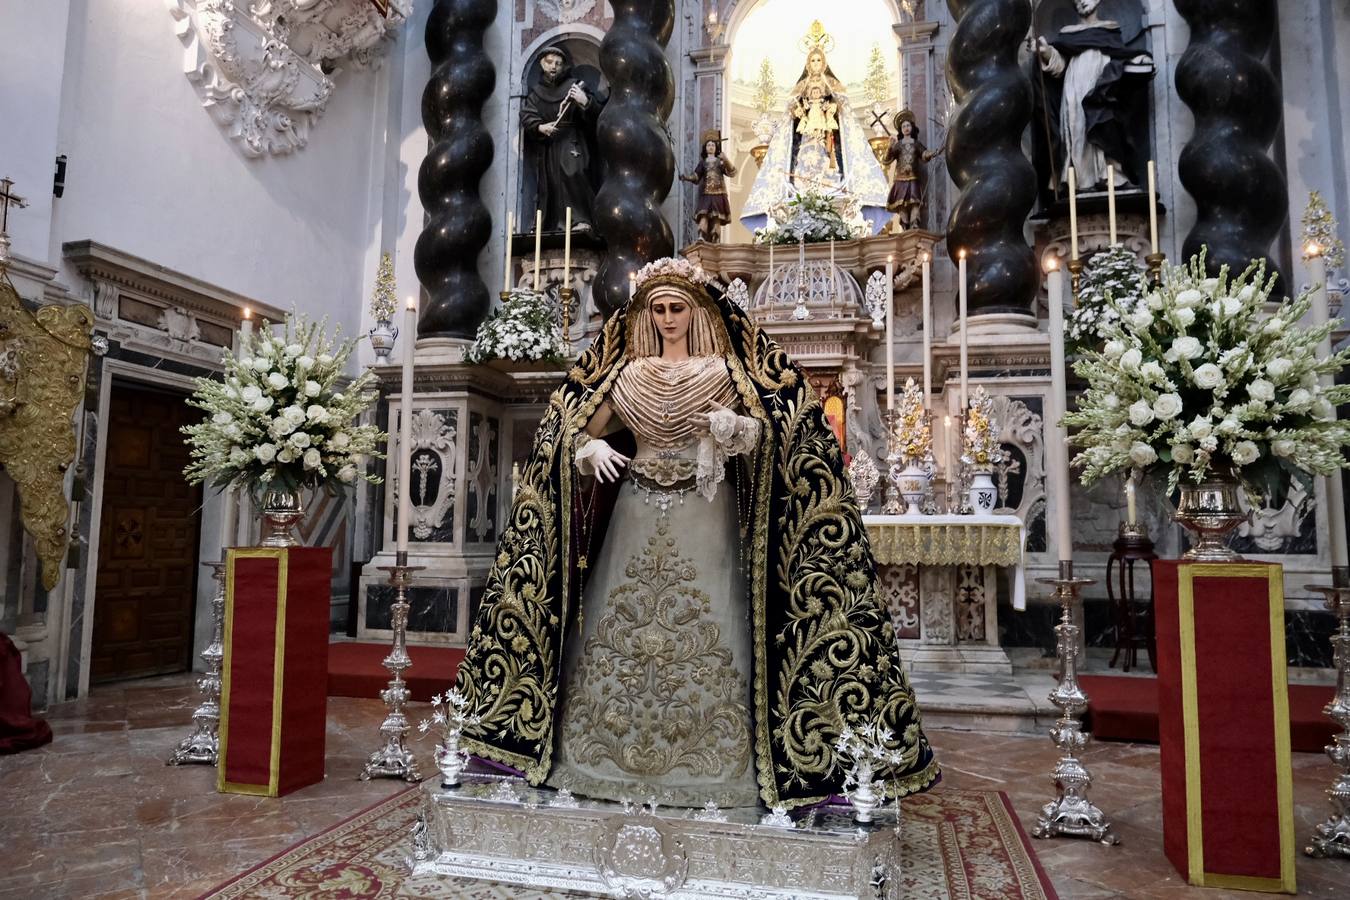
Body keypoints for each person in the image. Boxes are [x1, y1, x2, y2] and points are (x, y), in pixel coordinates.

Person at [452, 257, 938, 809]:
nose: (666, 318)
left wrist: (732, 428)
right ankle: (600, 753)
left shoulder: (725, 372)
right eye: (657, 309)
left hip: (706, 512)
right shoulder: (628, 375)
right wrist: (589, 448)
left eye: (676, 307)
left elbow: (772, 432)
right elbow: (573, 426)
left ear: (697, 310)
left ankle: (715, 759)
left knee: (708, 613)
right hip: (637, 510)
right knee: (624, 616)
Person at [742, 22, 890, 235]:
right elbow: (790, 112)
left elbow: (842, 108)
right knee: (806, 153)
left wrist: (831, 104)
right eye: (812, 60)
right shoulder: (800, 87)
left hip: (826, 130)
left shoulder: (832, 84)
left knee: (826, 152)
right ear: (807, 63)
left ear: (824, 62)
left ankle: (829, 182)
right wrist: (798, 108)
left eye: (819, 59)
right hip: (806, 131)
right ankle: (802, 185)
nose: (816, 63)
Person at [1035, 0, 1154, 190]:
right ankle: (1080, 180)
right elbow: (1059, 67)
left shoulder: (1109, 30)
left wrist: (1138, 59)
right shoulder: (1068, 34)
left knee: (1106, 124)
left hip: (1103, 85)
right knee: (1078, 128)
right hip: (1075, 88)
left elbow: (1121, 56)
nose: (1082, 1)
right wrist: (1047, 52)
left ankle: (1112, 175)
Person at [520, 46, 606, 232]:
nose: (554, 67)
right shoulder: (536, 93)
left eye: (558, 64)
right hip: (549, 145)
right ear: (542, 64)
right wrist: (540, 127)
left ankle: (581, 219)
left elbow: (598, 116)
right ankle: (551, 224)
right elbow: (527, 115)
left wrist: (585, 101)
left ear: (564, 67)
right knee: (550, 183)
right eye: (550, 62)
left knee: (574, 174)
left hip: (572, 140)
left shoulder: (574, 86)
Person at [883, 109, 939, 232]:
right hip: (900, 179)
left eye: (908, 125)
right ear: (901, 130)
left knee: (914, 202)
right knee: (901, 204)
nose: (906, 128)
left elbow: (924, 154)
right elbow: (886, 161)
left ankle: (914, 224)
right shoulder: (898, 145)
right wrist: (889, 147)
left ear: (912, 127)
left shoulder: (916, 143)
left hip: (913, 178)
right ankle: (905, 225)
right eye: (903, 126)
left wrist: (932, 153)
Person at [680, 131, 737, 244]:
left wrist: (726, 160)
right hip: (706, 193)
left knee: (716, 218)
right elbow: (696, 176)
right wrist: (686, 177)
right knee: (704, 215)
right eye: (708, 145)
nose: (710, 147)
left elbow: (732, 172)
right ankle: (701, 235)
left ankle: (716, 237)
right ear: (705, 148)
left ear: (716, 148)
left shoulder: (720, 162)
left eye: (712, 145)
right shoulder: (703, 163)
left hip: (719, 192)